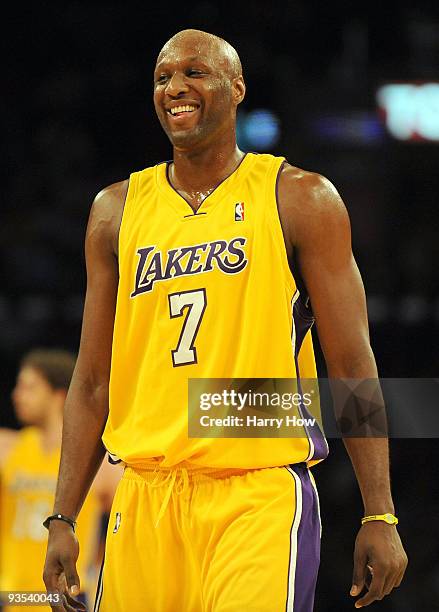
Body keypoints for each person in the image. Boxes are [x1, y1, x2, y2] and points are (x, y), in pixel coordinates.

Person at [43, 29, 407, 612]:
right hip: (143, 493)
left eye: (194, 73)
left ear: (236, 88)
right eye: (163, 77)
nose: (175, 88)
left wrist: (380, 509)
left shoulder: (300, 198)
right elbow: (91, 380)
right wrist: (64, 514)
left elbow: (351, 363)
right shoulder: (116, 211)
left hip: (256, 491)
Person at [0, 349, 122, 611]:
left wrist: (99, 566)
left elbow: (127, 524)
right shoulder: (10, 448)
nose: (17, 396)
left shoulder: (96, 465)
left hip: (67, 601)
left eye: (29, 387)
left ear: (59, 396)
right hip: (13, 598)